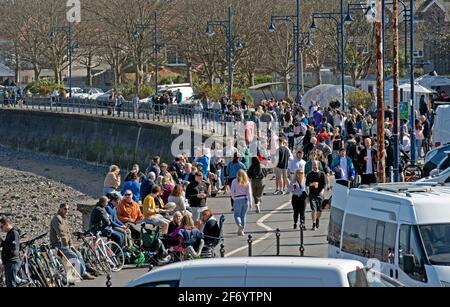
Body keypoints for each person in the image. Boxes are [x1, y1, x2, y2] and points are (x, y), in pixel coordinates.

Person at [50, 204, 95, 280]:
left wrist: (71, 245)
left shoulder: (63, 219)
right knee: (73, 256)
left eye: (67, 209)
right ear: (60, 209)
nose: (66, 211)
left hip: (65, 244)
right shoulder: (57, 219)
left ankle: (83, 272)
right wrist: (67, 245)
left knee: (78, 254)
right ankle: (83, 273)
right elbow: (61, 233)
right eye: (65, 209)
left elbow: (68, 234)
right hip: (58, 244)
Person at [231, 170, 253, 236]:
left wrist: (233, 198)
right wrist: (250, 201)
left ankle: (239, 225)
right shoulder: (247, 182)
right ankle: (242, 230)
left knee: (237, 215)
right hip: (245, 199)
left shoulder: (234, 181)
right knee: (243, 216)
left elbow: (232, 191)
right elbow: (249, 192)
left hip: (237, 199)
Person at [0, 217, 21, 287]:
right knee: (9, 283)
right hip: (9, 262)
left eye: (1, 227)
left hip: (12, 262)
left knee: (11, 284)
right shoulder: (10, 233)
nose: (1, 229)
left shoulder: (14, 233)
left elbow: (13, 248)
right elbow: (7, 245)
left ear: (6, 224)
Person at [305, 161, 326, 231]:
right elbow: (306, 184)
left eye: (315, 165)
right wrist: (312, 184)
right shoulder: (309, 174)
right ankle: (314, 224)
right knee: (314, 209)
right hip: (312, 194)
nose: (314, 166)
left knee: (319, 211)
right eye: (313, 165)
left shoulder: (322, 174)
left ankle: (317, 219)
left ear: (318, 165)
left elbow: (324, 184)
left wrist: (322, 191)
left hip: (320, 195)